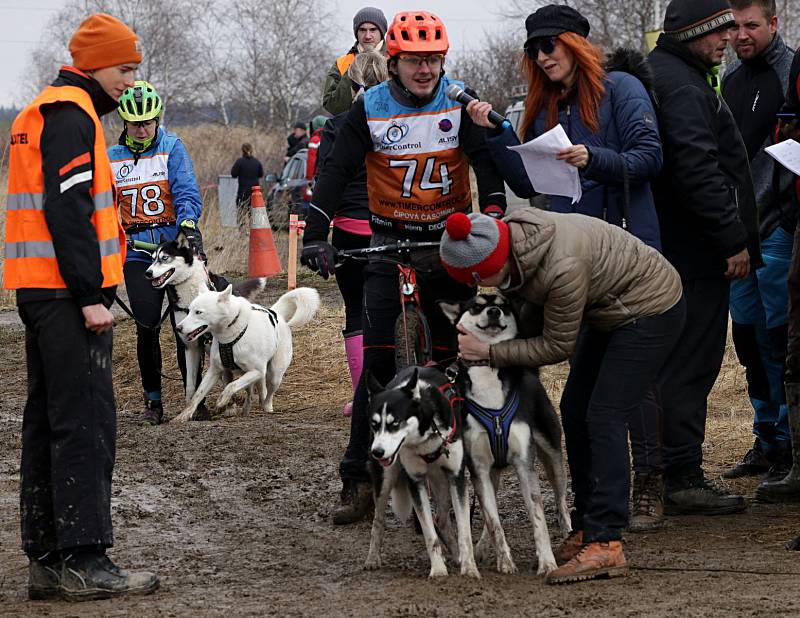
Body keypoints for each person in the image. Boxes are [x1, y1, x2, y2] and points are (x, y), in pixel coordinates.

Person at [302, 11, 508, 525]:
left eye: (434, 59)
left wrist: (497, 213)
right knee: (377, 363)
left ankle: (454, 475)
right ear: (393, 62)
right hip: (389, 241)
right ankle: (358, 477)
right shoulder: (369, 107)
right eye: (416, 60)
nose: (426, 70)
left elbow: (486, 163)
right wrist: (314, 234)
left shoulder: (460, 100)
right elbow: (335, 171)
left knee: (451, 358)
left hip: (447, 244)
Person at [466, 4, 666, 530]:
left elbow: (650, 158)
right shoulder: (543, 104)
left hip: (627, 254)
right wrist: (495, 135)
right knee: (585, 382)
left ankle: (648, 482)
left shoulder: (621, 89)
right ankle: (595, 502)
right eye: (533, 49)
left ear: (576, 43)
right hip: (571, 261)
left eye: (549, 45)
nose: (541, 55)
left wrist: (591, 158)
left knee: (630, 384)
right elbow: (530, 184)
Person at [439, 209, 685, 583]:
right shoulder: (512, 249)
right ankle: (587, 524)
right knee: (574, 408)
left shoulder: (562, 267)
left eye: (474, 282)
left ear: (485, 269)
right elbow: (530, 316)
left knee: (604, 415)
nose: (477, 291)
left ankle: (607, 542)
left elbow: (556, 344)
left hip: (649, 308)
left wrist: (489, 353)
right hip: (608, 310)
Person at [4, 13, 159, 600]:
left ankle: (45, 560)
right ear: (93, 65)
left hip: (39, 290)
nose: (128, 82)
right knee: (86, 423)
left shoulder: (40, 110)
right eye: (124, 69)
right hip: (68, 296)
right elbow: (69, 215)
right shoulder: (72, 118)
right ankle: (86, 559)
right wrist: (92, 297)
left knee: (47, 420)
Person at [648, 0, 761, 515]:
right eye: (719, 31)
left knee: (674, 360)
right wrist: (731, 237)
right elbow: (697, 170)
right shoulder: (684, 86)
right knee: (691, 361)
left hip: (675, 246)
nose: (727, 40)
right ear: (695, 32)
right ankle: (682, 473)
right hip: (695, 252)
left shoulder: (673, 74)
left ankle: (665, 467)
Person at [721, 0, 797, 482]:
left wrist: (786, 216)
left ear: (773, 23)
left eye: (751, 25)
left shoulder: (792, 72)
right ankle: (765, 439)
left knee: (779, 341)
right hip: (737, 232)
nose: (741, 35)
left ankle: (790, 445)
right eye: (735, 27)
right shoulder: (729, 79)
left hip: (777, 230)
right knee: (747, 339)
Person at [108, 80, 204, 426]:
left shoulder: (172, 147)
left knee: (187, 323)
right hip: (137, 253)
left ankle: (194, 397)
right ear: (125, 123)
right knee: (146, 324)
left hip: (174, 251)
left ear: (157, 118)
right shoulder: (111, 158)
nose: (143, 128)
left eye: (148, 121)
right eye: (135, 123)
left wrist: (189, 224)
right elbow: (103, 207)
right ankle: (153, 401)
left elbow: (187, 192)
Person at [305, 51, 388, 419]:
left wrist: (317, 231)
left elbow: (326, 179)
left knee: (356, 312)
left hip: (350, 229)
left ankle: (363, 397)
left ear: (353, 86)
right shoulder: (397, 120)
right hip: (393, 224)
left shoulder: (337, 126)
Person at [758, 51, 800, 511]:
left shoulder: (788, 60)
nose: (740, 36)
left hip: (783, 226)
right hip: (786, 221)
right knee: (784, 343)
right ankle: (785, 453)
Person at [322, 6, 387, 115]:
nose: (367, 36)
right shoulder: (342, 63)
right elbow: (332, 107)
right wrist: (353, 75)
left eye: (373, 30)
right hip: (352, 129)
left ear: (382, 32)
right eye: (362, 30)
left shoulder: (396, 60)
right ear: (356, 33)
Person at [231, 142, 264, 221]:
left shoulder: (240, 162)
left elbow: (233, 174)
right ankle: (253, 231)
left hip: (242, 192)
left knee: (241, 213)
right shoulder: (257, 162)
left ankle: (242, 231)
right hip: (254, 193)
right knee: (253, 214)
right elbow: (261, 174)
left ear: (242, 151)